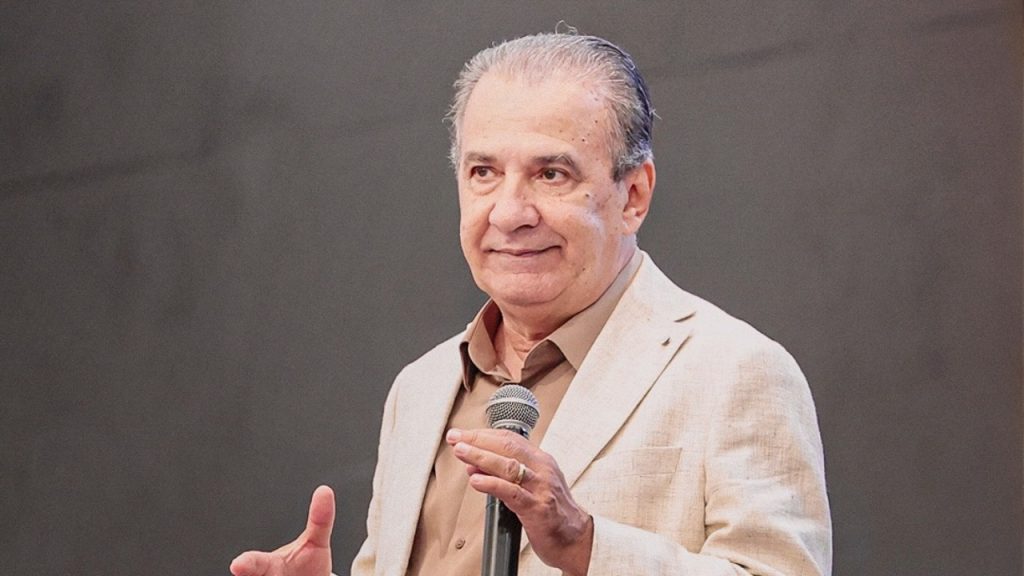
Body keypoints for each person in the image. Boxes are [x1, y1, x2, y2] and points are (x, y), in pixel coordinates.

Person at [231, 32, 832, 576]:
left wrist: (587, 544)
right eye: (484, 172)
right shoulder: (419, 389)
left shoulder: (736, 371)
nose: (510, 212)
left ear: (634, 195)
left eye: (551, 174)